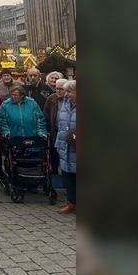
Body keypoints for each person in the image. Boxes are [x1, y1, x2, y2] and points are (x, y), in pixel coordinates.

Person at [56, 80, 77, 214]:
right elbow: (61, 126)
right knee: (68, 176)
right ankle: (71, 203)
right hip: (66, 145)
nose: (66, 94)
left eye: (69, 91)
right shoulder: (65, 104)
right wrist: (58, 143)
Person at [43, 79, 67, 173]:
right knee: (54, 151)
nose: (58, 91)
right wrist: (46, 129)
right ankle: (55, 170)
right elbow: (46, 115)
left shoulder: (71, 99)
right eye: (57, 88)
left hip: (68, 131)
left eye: (61, 89)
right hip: (55, 130)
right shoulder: (52, 98)